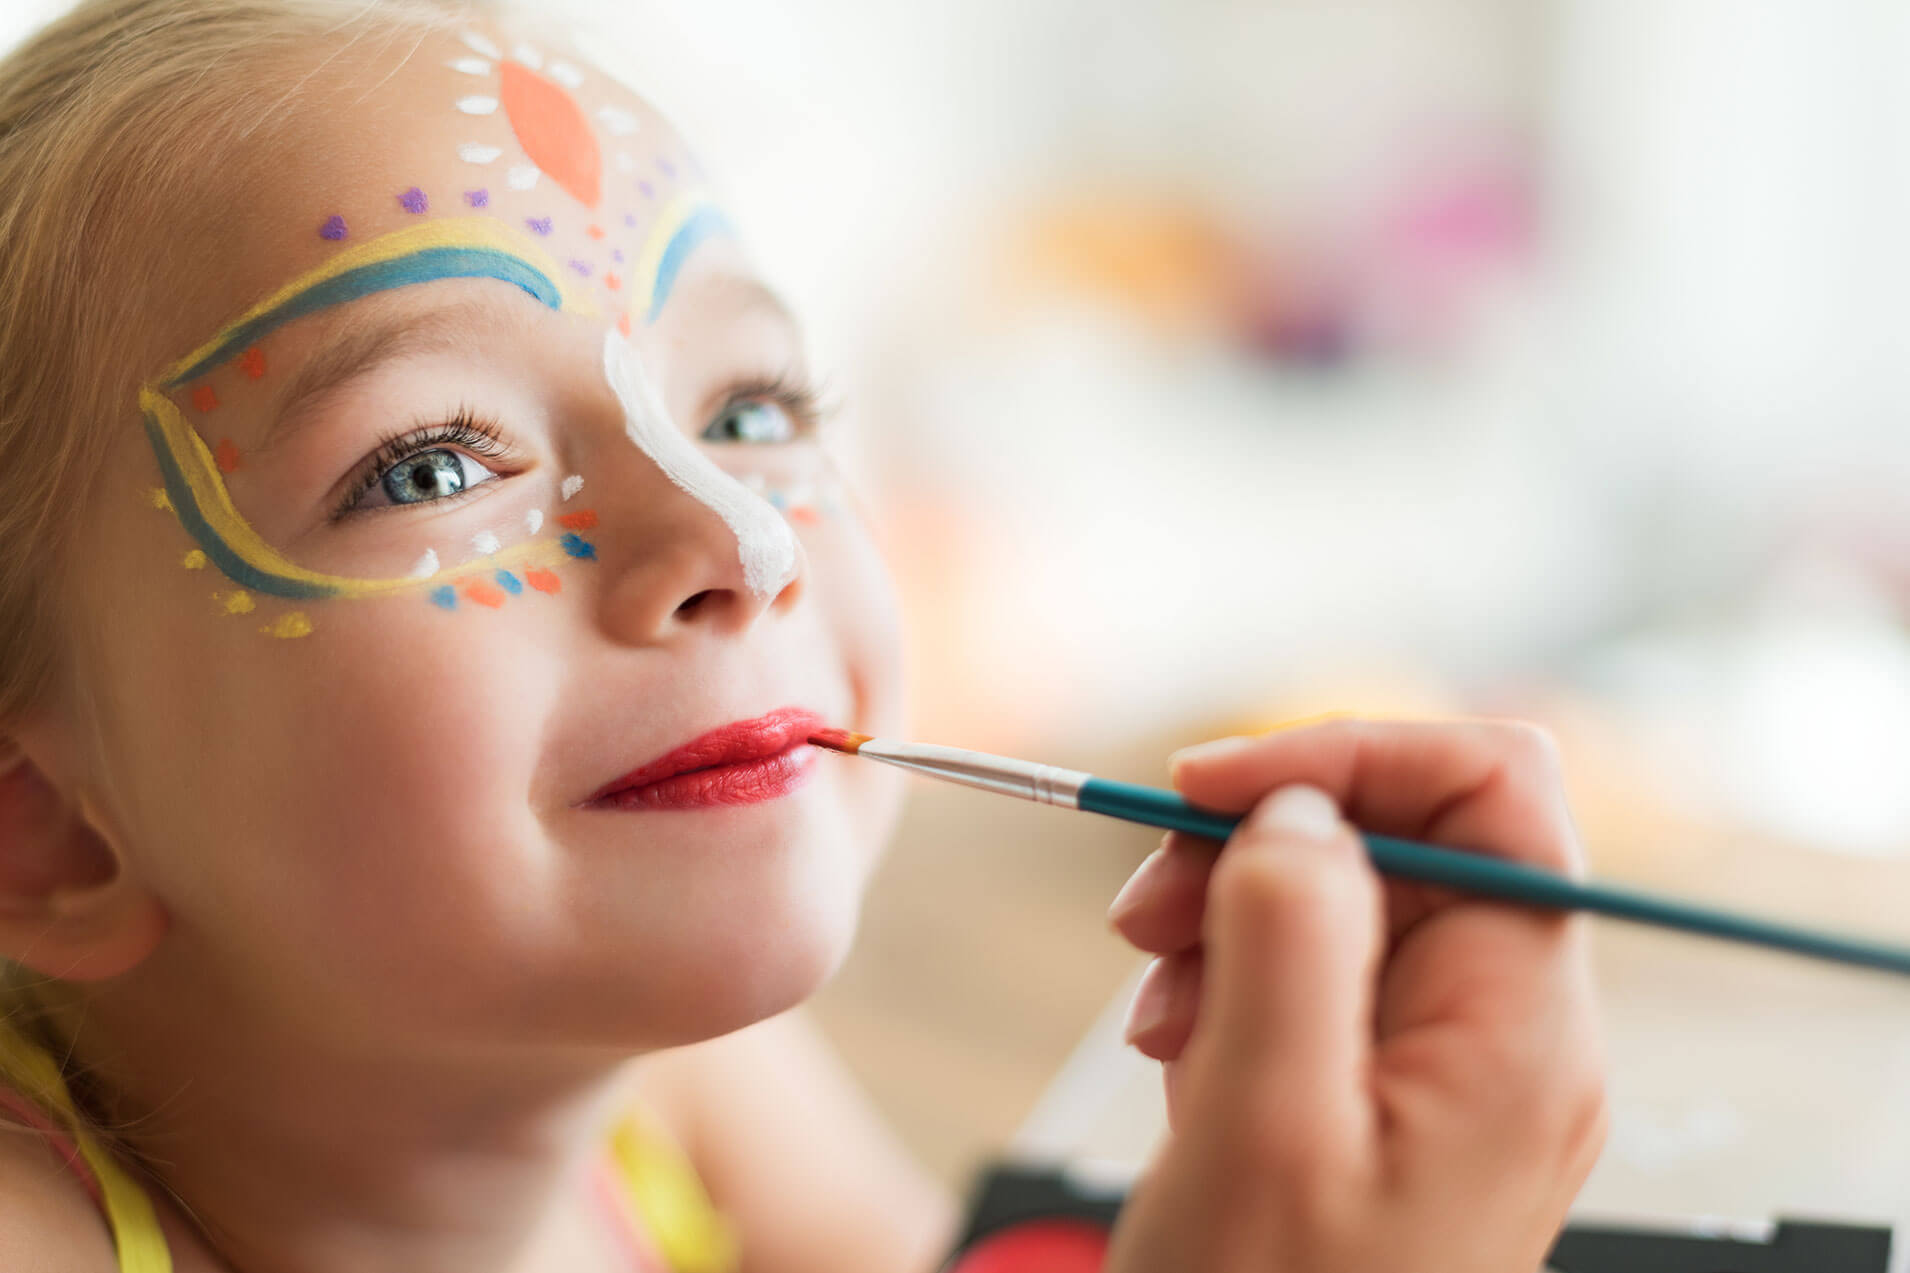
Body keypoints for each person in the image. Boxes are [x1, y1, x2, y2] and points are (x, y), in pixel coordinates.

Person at [0, 2, 1608, 1269]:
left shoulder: (654, 1068)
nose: (739, 538)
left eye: (750, 407)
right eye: (429, 464)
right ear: (43, 827)